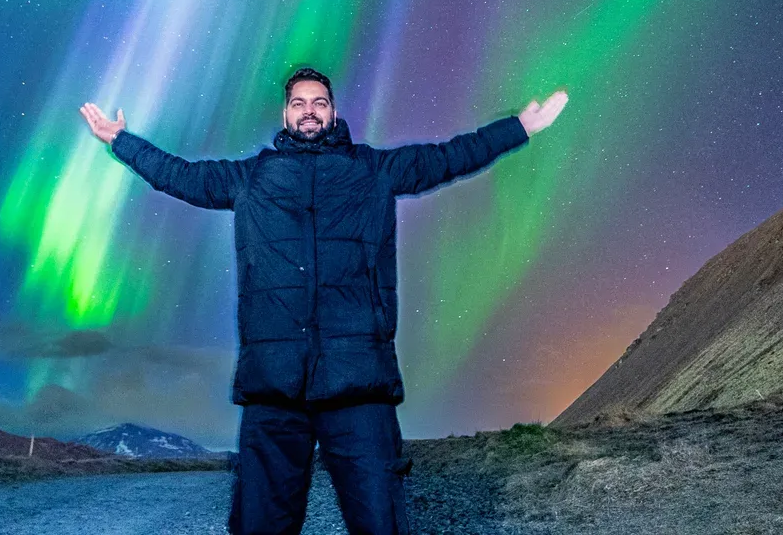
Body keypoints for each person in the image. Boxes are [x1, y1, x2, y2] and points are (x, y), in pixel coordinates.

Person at [79, 66, 567, 535]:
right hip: (273, 388)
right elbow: (180, 175)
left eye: (319, 103)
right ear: (285, 114)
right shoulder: (250, 178)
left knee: (381, 522)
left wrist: (520, 126)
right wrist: (122, 141)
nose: (309, 111)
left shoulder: (373, 170)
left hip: (357, 384)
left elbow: (448, 157)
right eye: (299, 103)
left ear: (333, 112)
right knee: (259, 525)